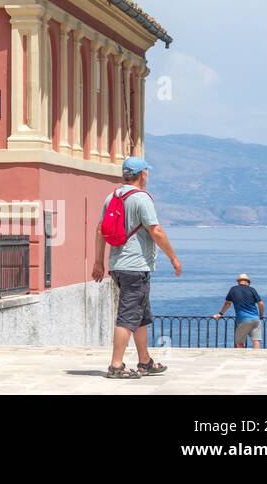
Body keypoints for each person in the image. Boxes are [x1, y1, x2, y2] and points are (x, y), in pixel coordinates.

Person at [92, 156, 182, 379]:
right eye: (146, 173)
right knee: (127, 316)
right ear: (142, 175)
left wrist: (98, 262)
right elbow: (156, 231)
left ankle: (145, 361)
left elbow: (99, 230)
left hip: (118, 265)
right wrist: (173, 258)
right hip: (135, 266)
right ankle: (116, 366)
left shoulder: (111, 197)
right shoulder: (141, 198)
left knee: (140, 314)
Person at [214, 273, 264, 348]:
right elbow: (260, 303)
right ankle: (256, 358)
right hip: (255, 319)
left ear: (238, 282)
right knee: (256, 341)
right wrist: (261, 315)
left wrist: (220, 313)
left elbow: (227, 303)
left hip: (243, 320)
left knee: (239, 342)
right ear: (247, 282)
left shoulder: (233, 289)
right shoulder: (252, 289)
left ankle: (242, 358)